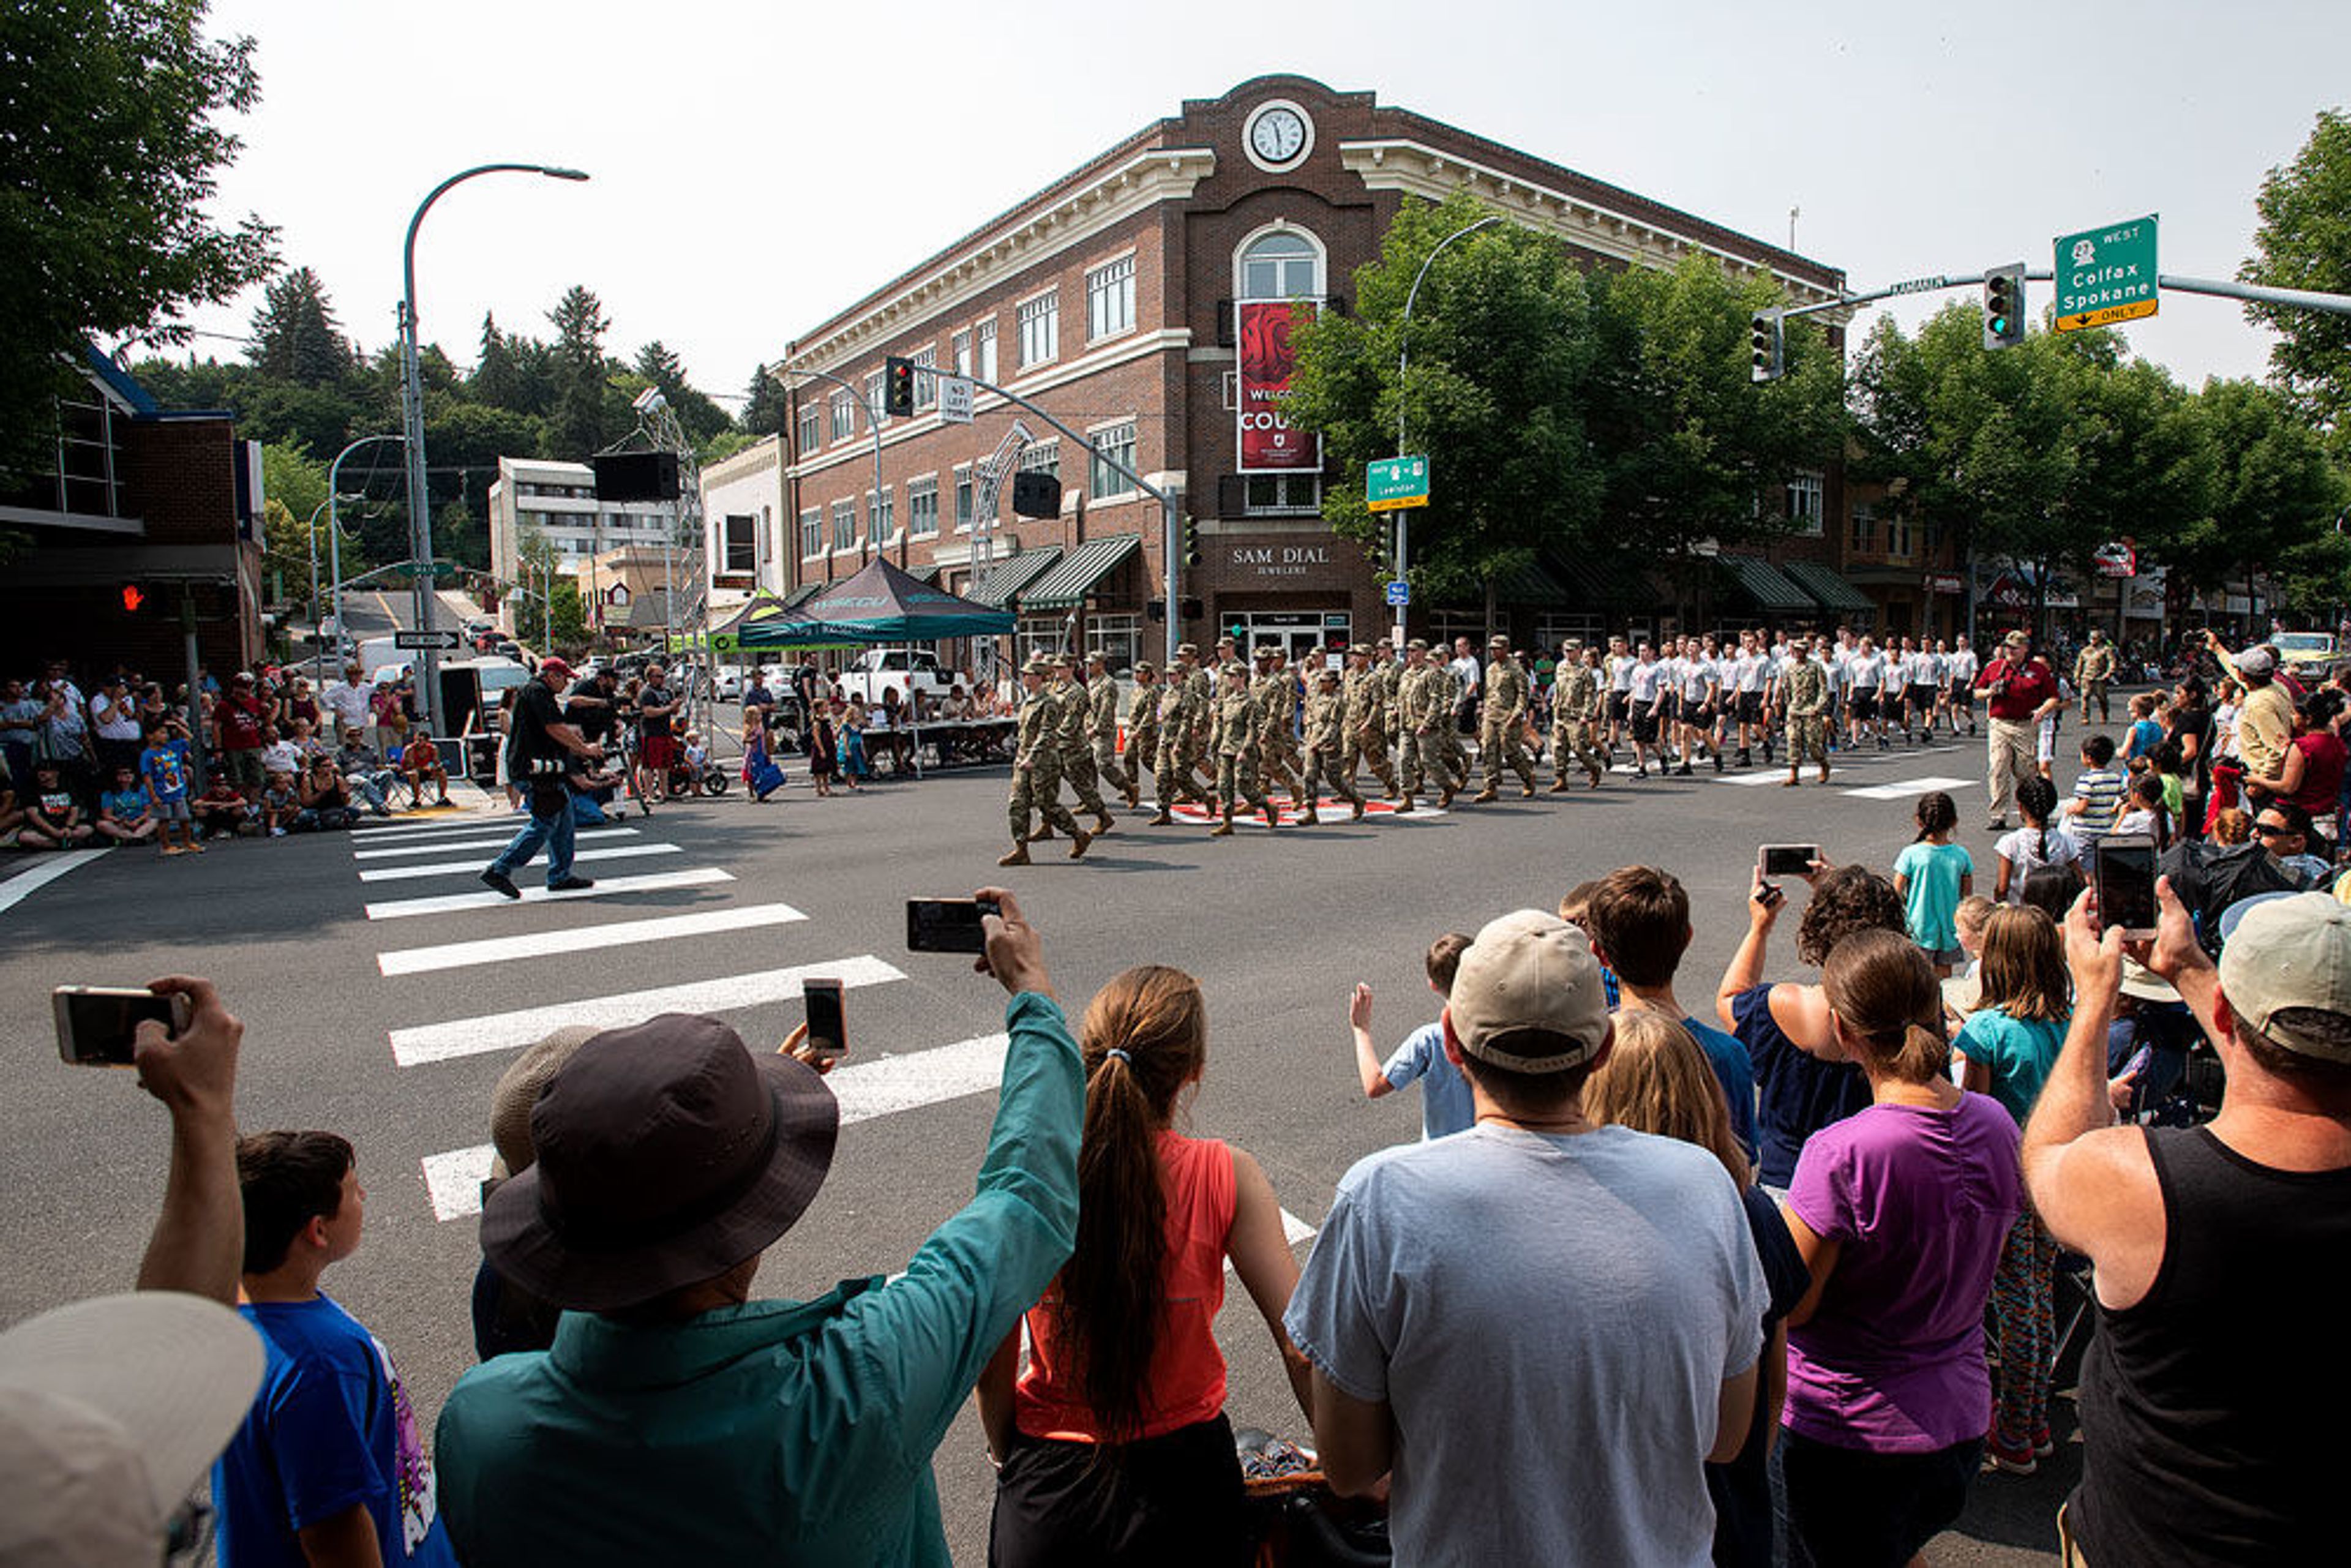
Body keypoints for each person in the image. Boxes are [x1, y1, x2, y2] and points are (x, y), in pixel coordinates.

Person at [436, 888, 1079, 1566]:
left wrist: (737, 1128)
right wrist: (1032, 996)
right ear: (753, 1215)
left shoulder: (481, 1423)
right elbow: (1026, 1197)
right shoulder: (859, 1383)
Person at [1285, 908, 1764, 1565]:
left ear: (1450, 1042)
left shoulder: (1381, 1196)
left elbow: (1349, 1467)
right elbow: (1728, 1435)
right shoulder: (1705, 1184)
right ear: (1601, 1048)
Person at [2023, 886, 2351, 1563]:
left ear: (2227, 1015)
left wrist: (2094, 1000)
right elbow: (2296, 1085)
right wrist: (2194, 971)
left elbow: (2049, 1158)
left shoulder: (2148, 1184)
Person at [977, 965, 1312, 1566]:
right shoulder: (1227, 1172)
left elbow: (990, 1348)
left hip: (1050, 1495)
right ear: (1192, 1074)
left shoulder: (1037, 1172)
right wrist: (1348, 1464)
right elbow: (1300, 1342)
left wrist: (1012, 1456)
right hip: (1188, 1495)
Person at [1777, 929, 2022, 1567]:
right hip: (1959, 1417)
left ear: (1840, 1026)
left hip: (1851, 1430)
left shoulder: (1843, 1150)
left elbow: (1796, 1303)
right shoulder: (1996, 1124)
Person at [1583, 1011, 1808, 1568]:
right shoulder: (1750, 1210)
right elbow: (1776, 1381)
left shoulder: (1584, 1218)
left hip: (1619, 1506)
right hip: (1726, 1500)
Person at [1953, 905, 2070, 1475]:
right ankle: (2037, 1416)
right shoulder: (2066, 1023)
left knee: (2010, 1304)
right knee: (2040, 1294)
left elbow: (1971, 1115)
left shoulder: (1986, 1032)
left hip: (2003, 1184)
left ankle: (2014, 1430)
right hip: (2055, 1177)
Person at [1714, 862, 1903, 1195]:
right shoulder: (1906, 1009)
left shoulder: (1784, 1006)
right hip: (1872, 1181)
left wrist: (1760, 926)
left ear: (1818, 929)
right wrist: (1833, 890)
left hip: (1790, 1182)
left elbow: (1731, 998)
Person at [1584, 865, 1760, 1163]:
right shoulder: (1728, 1054)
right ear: (1687, 939)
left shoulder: (1584, 1052)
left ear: (1599, 953)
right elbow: (1744, 1156)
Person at [480, 658, 602, 899]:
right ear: (551, 675)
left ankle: (560, 875)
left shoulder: (537, 692)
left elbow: (556, 730)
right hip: (534, 771)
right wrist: (585, 749)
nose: (566, 682)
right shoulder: (538, 692)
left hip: (546, 770)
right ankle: (500, 869)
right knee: (546, 821)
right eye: (564, 677)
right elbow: (554, 728)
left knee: (564, 820)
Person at [1344, 932, 1475, 1140]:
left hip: (1438, 1160)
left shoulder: (1429, 1041)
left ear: (1432, 984)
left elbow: (1375, 1086)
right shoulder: (1500, 1030)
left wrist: (1361, 1031)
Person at [1002, 659, 1089, 866]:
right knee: (1017, 803)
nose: (1024, 677)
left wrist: (1033, 756)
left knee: (1047, 805)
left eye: (1028, 674)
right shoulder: (1028, 700)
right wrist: (1022, 756)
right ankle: (1021, 849)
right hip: (1024, 760)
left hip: (1043, 761)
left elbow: (1047, 732)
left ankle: (1078, 835)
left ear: (1039, 677)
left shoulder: (1049, 702)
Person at [1976, 629, 2061, 831]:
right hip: (2000, 723)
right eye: (2007, 647)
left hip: (2025, 725)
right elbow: (1978, 692)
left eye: (2014, 648)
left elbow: (2053, 697)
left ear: (2025, 649)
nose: (2010, 651)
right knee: (1998, 768)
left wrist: (2042, 710)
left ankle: (2030, 811)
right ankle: (1998, 814)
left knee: (2026, 772)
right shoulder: (1995, 667)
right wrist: (1990, 692)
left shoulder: (2038, 670)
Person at [1894, 790, 1975, 975]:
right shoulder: (1962, 855)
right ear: (1954, 822)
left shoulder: (1910, 854)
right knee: (1944, 978)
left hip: (1918, 929)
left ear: (1919, 820)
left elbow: (1895, 894)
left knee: (1918, 978)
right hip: (1950, 929)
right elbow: (1967, 898)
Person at [1995, 775, 2080, 904]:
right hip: (2055, 914)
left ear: (2021, 807)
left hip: (2021, 916)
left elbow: (2002, 889)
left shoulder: (2010, 843)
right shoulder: (2065, 842)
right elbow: (2079, 881)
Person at [140, 720, 201, 856]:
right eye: (161, 733)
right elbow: (147, 776)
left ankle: (187, 842)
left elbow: (189, 738)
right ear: (150, 736)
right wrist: (153, 795)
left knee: (184, 817)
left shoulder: (172, 747)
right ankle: (165, 846)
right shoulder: (147, 755)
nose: (165, 736)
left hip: (177, 790)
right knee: (164, 819)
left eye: (166, 733)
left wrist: (178, 726)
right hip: (161, 792)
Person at [2060, 732, 2127, 847]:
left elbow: (2082, 806)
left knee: (2084, 858)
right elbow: (2126, 797)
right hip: (2104, 827)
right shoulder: (2115, 778)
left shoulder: (2086, 779)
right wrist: (2115, 808)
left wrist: (2071, 810)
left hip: (2085, 830)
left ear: (2089, 758)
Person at [1782, 636, 1831, 787]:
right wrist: (1788, 706)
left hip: (1811, 710)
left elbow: (1824, 690)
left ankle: (1823, 764)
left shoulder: (1815, 667)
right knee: (1793, 740)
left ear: (1806, 651)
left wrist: (1818, 708)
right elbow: (1787, 689)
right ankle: (1794, 774)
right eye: (1795, 650)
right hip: (1795, 710)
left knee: (1812, 743)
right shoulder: (1790, 668)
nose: (1797, 653)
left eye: (1800, 650)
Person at [13, 762, 94, 849]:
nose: (42, 773)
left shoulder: (66, 786)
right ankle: (61, 844)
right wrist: (54, 833)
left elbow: (74, 809)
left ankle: (64, 841)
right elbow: (33, 815)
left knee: (87, 829)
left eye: (46, 770)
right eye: (40, 771)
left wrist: (69, 827)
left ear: (56, 773)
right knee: (25, 837)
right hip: (44, 829)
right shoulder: (32, 790)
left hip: (65, 826)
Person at [96, 764, 159, 848]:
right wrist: (120, 821)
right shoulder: (109, 793)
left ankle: (136, 837)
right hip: (121, 823)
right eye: (124, 773)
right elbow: (107, 814)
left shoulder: (142, 789)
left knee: (155, 820)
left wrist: (138, 821)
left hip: (140, 821)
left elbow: (148, 810)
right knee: (102, 824)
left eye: (130, 773)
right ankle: (128, 836)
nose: (128, 776)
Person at [399, 729, 451, 809]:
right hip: (410, 773)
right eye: (416, 740)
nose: (417, 742)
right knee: (414, 774)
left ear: (427, 741)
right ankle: (416, 800)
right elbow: (410, 766)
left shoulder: (433, 749)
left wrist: (437, 767)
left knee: (443, 772)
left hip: (426, 771)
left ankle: (442, 797)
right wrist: (425, 768)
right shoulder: (410, 749)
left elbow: (436, 762)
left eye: (420, 740)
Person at [2075, 629, 2117, 724]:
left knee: (2102, 699)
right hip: (2086, 677)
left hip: (2099, 678)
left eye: (2095, 638)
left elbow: (2112, 662)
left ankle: (2104, 715)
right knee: (2085, 697)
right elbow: (2079, 665)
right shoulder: (2085, 651)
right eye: (2091, 638)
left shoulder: (2105, 650)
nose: (2093, 640)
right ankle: (2085, 717)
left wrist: (2108, 673)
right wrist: (2077, 678)